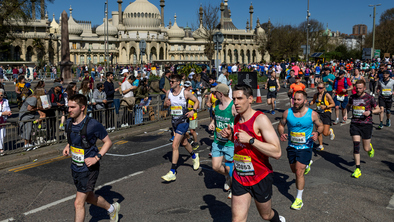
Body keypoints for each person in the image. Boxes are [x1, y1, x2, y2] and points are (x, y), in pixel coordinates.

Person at [219, 84, 285, 222]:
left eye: (239, 98)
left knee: (266, 215)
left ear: (250, 99)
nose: (235, 102)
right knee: (237, 219)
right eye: (233, 99)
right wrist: (230, 137)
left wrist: (251, 140)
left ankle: (277, 219)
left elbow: (277, 152)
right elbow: (240, 142)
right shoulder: (237, 119)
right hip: (240, 176)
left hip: (260, 177)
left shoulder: (260, 119)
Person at [63, 94, 120, 222]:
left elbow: (108, 142)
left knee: (78, 203)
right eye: (68, 107)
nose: (69, 110)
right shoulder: (68, 123)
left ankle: (112, 209)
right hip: (75, 166)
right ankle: (112, 209)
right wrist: (68, 146)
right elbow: (72, 140)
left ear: (82, 107)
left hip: (89, 169)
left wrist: (97, 157)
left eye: (73, 107)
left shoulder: (93, 124)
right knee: (88, 198)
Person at [278, 90, 323, 210]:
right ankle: (307, 165)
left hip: (306, 147)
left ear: (305, 101)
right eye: (294, 99)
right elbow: (281, 125)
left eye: (298, 99)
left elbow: (321, 125)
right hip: (292, 147)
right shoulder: (288, 113)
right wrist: (281, 133)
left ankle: (299, 199)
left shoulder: (312, 114)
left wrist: (317, 133)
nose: (296, 102)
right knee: (294, 170)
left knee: (298, 172)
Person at [161, 74, 200, 182]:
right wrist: (166, 104)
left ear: (178, 82)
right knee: (184, 143)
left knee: (175, 145)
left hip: (183, 121)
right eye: (170, 81)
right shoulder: (169, 93)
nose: (171, 83)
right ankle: (194, 156)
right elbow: (165, 105)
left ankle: (172, 172)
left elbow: (197, 101)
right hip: (174, 121)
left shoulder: (185, 93)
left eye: (173, 81)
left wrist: (193, 111)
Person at [345, 80, 380, 178]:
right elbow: (348, 106)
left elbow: (379, 109)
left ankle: (370, 148)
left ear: (364, 88)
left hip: (366, 124)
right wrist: (345, 114)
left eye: (360, 88)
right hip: (355, 124)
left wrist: (370, 112)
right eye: (357, 88)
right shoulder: (352, 97)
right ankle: (357, 168)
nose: (358, 90)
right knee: (356, 146)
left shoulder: (370, 98)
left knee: (366, 148)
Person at [208, 83, 236, 199]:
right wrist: (212, 123)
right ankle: (229, 177)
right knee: (215, 166)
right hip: (218, 141)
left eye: (215, 93)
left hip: (229, 143)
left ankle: (234, 188)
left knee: (230, 167)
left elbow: (240, 122)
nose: (213, 94)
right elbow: (216, 117)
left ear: (220, 94)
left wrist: (232, 130)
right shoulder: (216, 104)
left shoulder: (233, 107)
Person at [309, 83, 336, 151]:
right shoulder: (316, 95)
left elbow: (333, 104)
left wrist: (326, 106)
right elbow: (313, 101)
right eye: (318, 88)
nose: (319, 89)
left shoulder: (327, 95)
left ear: (324, 88)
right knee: (318, 130)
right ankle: (321, 145)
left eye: (321, 88)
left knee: (325, 133)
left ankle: (330, 132)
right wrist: (309, 103)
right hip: (318, 113)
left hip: (326, 113)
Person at [184, 81, 199, 150]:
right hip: (186, 114)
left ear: (190, 87)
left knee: (192, 131)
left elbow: (198, 106)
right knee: (184, 130)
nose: (186, 88)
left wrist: (192, 106)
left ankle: (195, 142)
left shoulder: (193, 94)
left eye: (187, 87)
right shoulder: (183, 94)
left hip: (193, 114)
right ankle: (190, 139)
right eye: (185, 87)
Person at [0, 89, 11, 156]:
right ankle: (1, 149)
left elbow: (8, 108)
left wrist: (8, 112)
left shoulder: (5, 101)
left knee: (2, 135)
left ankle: (1, 148)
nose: (0, 96)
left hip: (3, 121)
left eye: (1, 95)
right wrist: (2, 113)